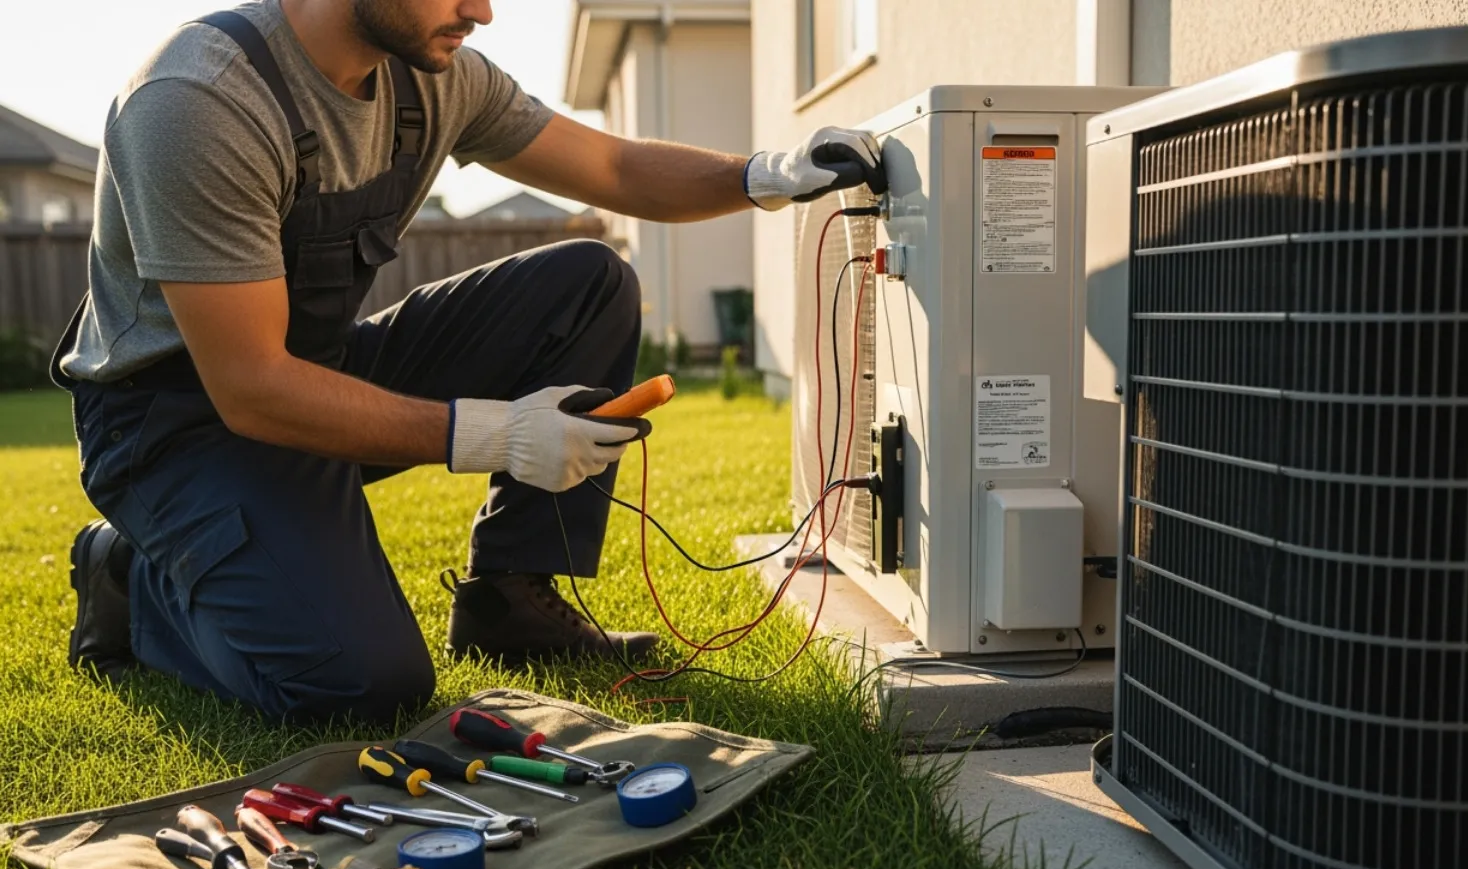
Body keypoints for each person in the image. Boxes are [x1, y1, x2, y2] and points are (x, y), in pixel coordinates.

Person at [55, 0, 887, 725]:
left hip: (314, 370)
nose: (483, 11)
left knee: (588, 284)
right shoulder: (197, 99)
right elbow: (250, 388)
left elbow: (614, 167)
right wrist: (496, 435)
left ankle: (509, 604)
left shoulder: (437, 78)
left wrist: (765, 174)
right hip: (176, 426)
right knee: (361, 683)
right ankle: (129, 578)